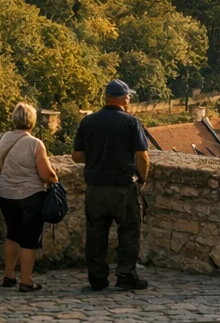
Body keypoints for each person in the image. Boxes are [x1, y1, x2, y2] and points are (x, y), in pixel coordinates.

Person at [72, 79, 151, 291]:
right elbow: (142, 156)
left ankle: (97, 278)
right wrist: (142, 179)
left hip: (96, 187)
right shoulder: (131, 122)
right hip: (124, 186)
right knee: (129, 232)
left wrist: (97, 156)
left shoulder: (88, 122)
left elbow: (76, 156)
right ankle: (126, 275)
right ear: (124, 98)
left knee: (96, 233)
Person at [0, 101, 59, 292]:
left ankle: (9, 275)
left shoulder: (2, 139)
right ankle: (27, 281)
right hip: (30, 195)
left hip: (6, 194)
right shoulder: (35, 144)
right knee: (29, 238)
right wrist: (55, 178)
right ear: (33, 121)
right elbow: (46, 174)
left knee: (12, 233)